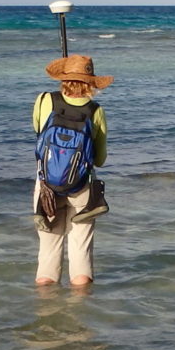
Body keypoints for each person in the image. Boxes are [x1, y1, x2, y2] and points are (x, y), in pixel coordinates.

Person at [32, 54, 111, 287]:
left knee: (48, 251)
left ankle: (47, 312)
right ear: (91, 81)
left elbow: (38, 132)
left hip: (46, 186)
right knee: (81, 250)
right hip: (81, 187)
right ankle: (81, 312)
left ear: (63, 77)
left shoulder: (45, 99)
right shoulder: (95, 111)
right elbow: (100, 159)